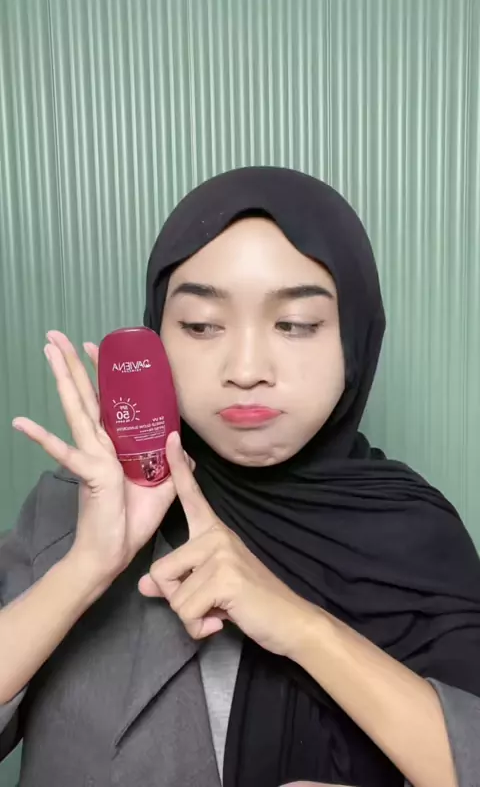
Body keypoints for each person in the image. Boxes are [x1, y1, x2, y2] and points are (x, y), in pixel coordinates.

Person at [1, 166, 479, 787]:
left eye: (295, 324)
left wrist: (303, 627)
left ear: (356, 340)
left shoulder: (414, 534)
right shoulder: (78, 508)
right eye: (201, 325)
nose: (246, 368)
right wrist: (86, 568)